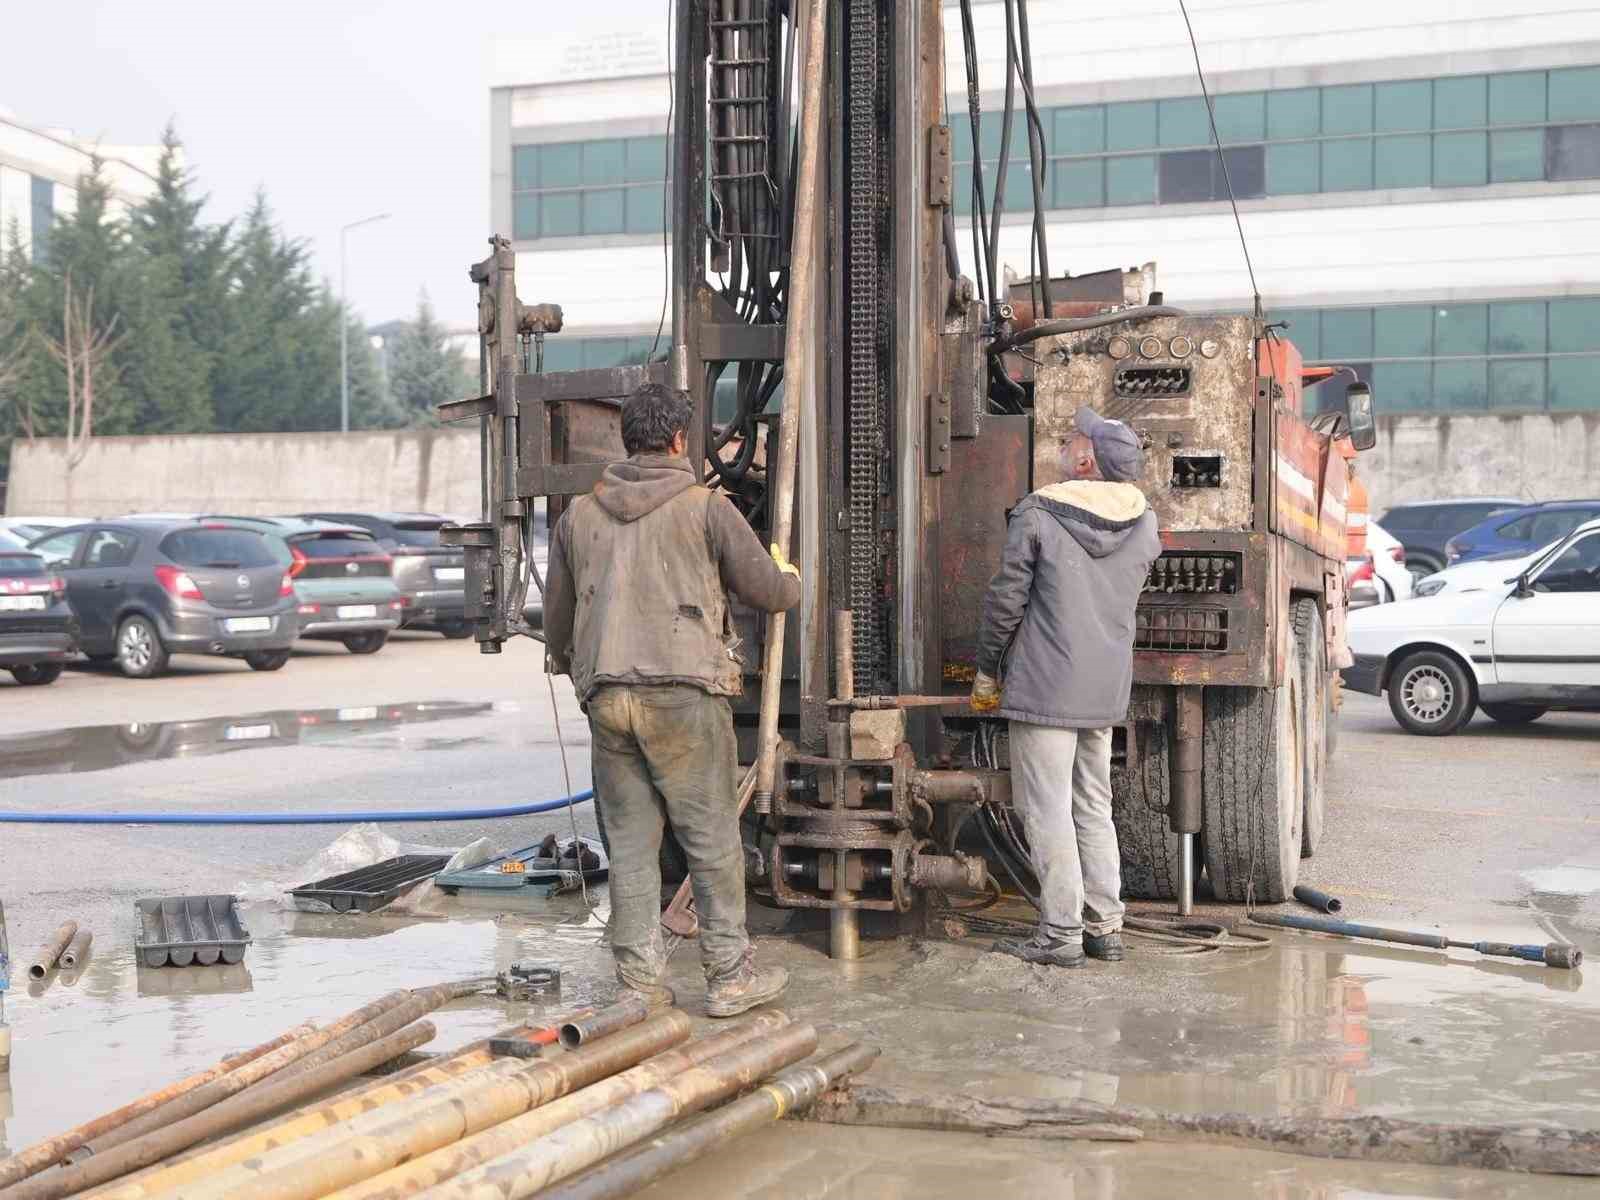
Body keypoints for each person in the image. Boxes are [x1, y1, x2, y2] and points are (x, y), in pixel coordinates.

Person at [544, 382, 801, 1016]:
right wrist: (789, 574)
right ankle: (729, 977)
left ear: (625, 438)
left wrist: (580, 671)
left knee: (630, 847)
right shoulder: (706, 508)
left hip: (608, 697)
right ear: (681, 439)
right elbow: (771, 593)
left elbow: (557, 623)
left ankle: (638, 987)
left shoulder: (578, 515)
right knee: (710, 840)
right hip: (684, 695)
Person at [971, 405, 1160, 968]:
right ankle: (1105, 926)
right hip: (1103, 689)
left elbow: (1006, 601)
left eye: (1077, 437)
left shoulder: (1037, 513)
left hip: (1045, 685)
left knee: (1046, 809)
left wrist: (988, 669)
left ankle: (1060, 934)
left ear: (1085, 461)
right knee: (1093, 805)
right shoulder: (1145, 523)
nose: (1067, 439)